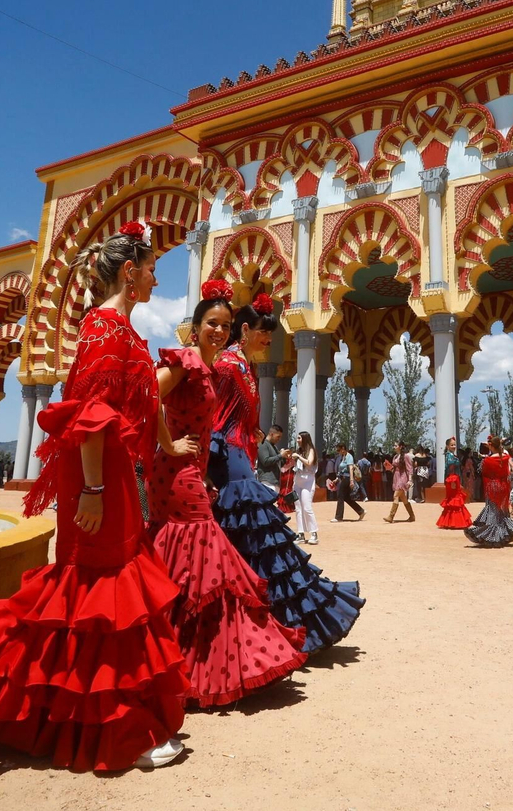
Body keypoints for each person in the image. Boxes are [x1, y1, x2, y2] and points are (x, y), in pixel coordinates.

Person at [0, 223, 191, 771]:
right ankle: (114, 731)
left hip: (112, 476)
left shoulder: (119, 330)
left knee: (98, 598)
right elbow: (90, 419)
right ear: (131, 272)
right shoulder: (106, 328)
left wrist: (169, 421)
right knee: (103, 595)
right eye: (152, 268)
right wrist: (98, 489)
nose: (156, 277)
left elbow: (138, 400)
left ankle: (84, 718)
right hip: (100, 476)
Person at [151, 280, 308, 707]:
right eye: (212, 323)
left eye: (224, 323)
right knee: (202, 557)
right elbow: (147, 392)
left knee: (193, 562)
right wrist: (168, 443)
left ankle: (182, 657)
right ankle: (182, 659)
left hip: (193, 471)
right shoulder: (191, 361)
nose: (219, 330)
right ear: (196, 326)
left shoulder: (211, 365)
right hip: (178, 472)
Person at [211, 293, 364, 653]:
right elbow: (212, 420)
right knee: (253, 543)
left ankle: (280, 624)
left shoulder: (244, 365)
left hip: (239, 460)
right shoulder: (227, 366)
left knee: (260, 544)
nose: (269, 339)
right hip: (228, 463)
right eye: (265, 332)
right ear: (245, 329)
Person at [465, 439, 513, 547]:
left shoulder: (487, 460)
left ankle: (494, 537)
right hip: (503, 487)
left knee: (493, 512)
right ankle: (504, 534)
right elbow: (508, 471)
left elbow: (483, 472)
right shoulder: (505, 458)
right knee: (503, 511)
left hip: (492, 487)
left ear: (491, 447)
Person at [291, 431, 319, 545]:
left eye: (299, 438)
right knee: (298, 508)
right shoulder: (299, 451)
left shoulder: (311, 450)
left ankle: (314, 533)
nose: (297, 440)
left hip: (308, 482)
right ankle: (301, 534)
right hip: (297, 481)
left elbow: (309, 463)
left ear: (304, 439)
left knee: (307, 507)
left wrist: (298, 457)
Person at [330, 441, 367, 522]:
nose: (338, 452)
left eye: (338, 450)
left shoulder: (349, 456)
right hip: (343, 478)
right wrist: (336, 479)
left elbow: (350, 468)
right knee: (346, 498)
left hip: (347, 478)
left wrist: (351, 481)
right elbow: (341, 470)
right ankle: (361, 511)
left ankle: (338, 517)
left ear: (343, 449)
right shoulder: (343, 457)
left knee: (340, 495)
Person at [385, 441, 416, 523]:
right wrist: (389, 467)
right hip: (396, 477)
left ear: (400, 446)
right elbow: (394, 469)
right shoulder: (395, 456)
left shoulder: (406, 456)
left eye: (395, 445)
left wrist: (410, 480)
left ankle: (391, 516)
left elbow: (410, 469)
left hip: (403, 477)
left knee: (395, 496)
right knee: (403, 498)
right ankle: (412, 516)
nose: (394, 447)